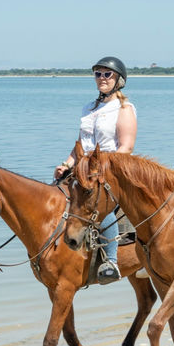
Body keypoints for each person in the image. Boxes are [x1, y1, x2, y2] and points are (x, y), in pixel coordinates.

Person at [54, 56, 137, 283]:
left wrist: (101, 167)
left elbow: (126, 147)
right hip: (84, 169)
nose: (102, 78)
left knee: (101, 204)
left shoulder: (124, 109)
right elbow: (80, 145)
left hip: (111, 168)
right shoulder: (88, 108)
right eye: (98, 74)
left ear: (119, 80)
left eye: (107, 74)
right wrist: (66, 164)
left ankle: (111, 261)